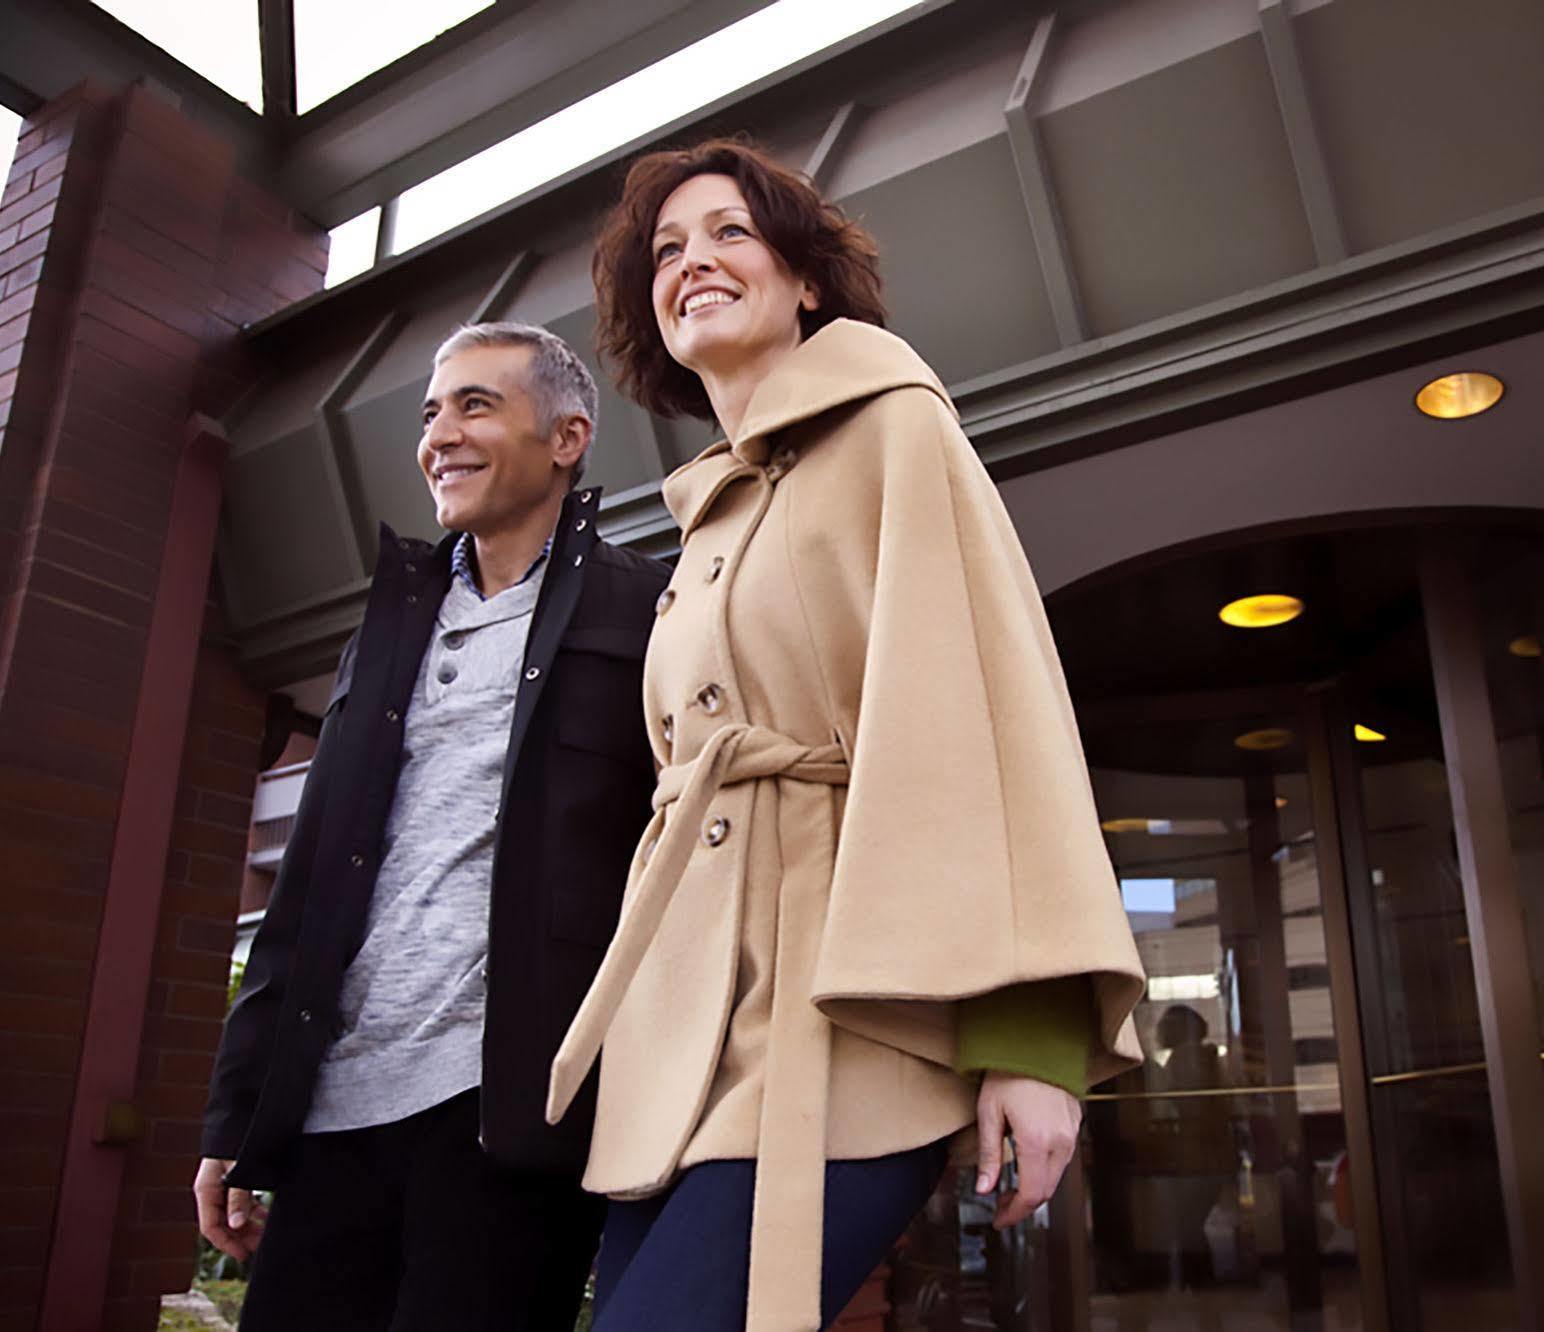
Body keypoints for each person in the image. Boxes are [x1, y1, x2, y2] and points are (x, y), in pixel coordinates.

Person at [546, 140, 1147, 1331]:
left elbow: (987, 720)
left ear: (807, 279)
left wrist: (1029, 1038)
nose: (693, 262)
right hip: (682, 1049)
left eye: (729, 232)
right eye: (666, 250)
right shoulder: (705, 523)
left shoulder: (893, 431)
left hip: (846, 1019)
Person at [193, 322, 668, 1331]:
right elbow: (310, 881)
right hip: (336, 1111)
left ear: (568, 436)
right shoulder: (388, 626)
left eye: (476, 405)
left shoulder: (650, 610)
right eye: (430, 413)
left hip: (507, 1122)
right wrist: (242, 1114)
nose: (439, 435)